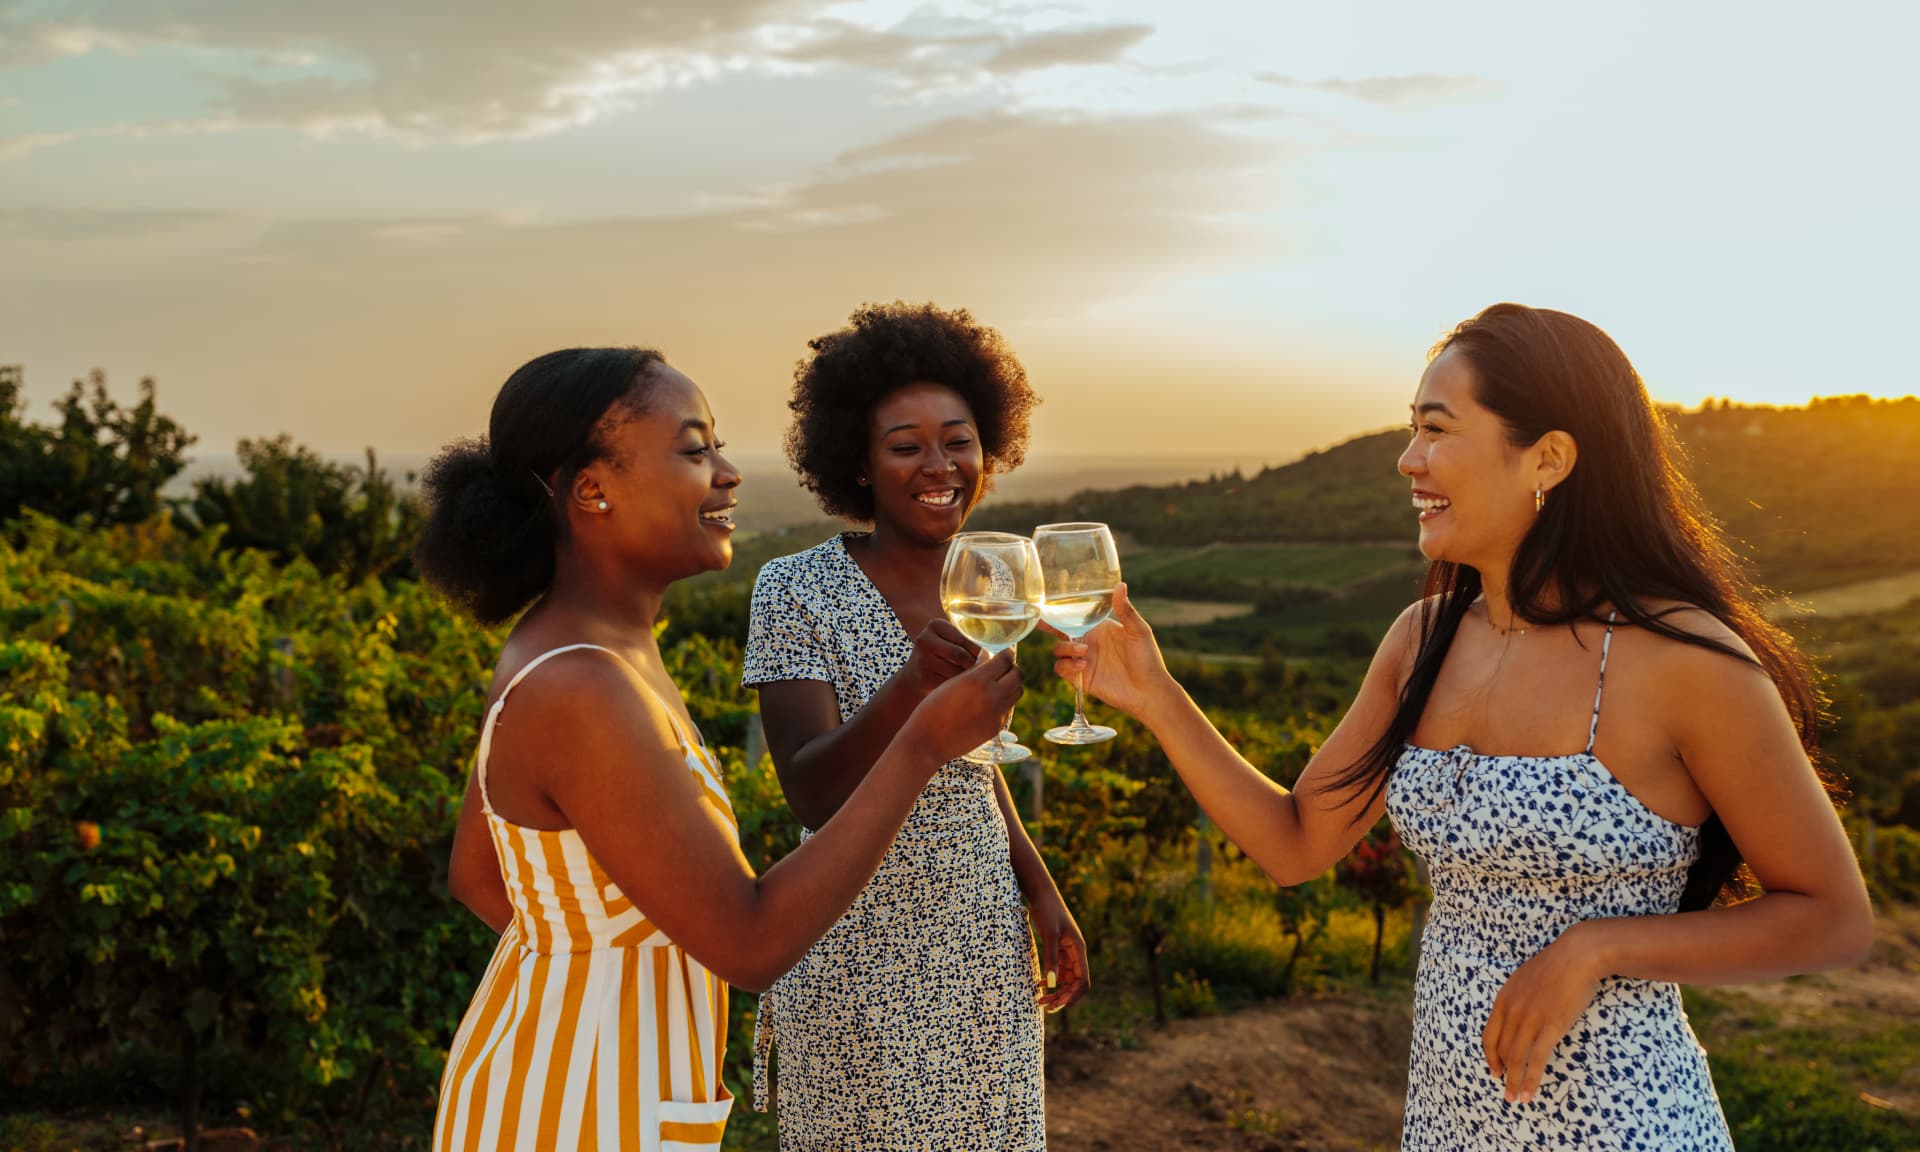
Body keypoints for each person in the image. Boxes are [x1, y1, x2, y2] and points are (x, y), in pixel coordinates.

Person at [1052, 304, 1873, 1150]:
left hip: (1623, 1122)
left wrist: (1595, 948)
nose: (1409, 460)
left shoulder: (1684, 661)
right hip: (1449, 1117)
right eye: (1412, 430)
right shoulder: (1422, 640)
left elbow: (1833, 917)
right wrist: (1155, 695)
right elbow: (1295, 842)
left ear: (1546, 460)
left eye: (1436, 431)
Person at [414, 346, 1022, 1151]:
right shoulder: (584, 686)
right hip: (582, 1103)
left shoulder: (587, 646)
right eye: (696, 450)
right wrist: (919, 745)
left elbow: (481, 874)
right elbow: (750, 943)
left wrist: (620, 972)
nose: (729, 474)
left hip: (592, 1080)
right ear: (592, 489)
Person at [743, 302, 1085, 1149]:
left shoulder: (987, 585)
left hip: (979, 937)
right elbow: (811, 789)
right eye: (906, 446)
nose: (940, 465)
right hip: (855, 944)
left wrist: (1038, 889)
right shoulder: (794, 589)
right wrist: (908, 691)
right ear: (856, 465)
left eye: (958, 440)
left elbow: (975, 761)